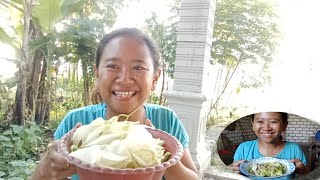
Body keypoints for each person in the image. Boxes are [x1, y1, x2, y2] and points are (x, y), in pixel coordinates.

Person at [30, 27, 199, 180]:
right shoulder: (76, 123)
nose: (124, 80)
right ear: (97, 73)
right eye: (112, 66)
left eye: (138, 68)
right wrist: (43, 171)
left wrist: (164, 153)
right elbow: (47, 173)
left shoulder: (167, 121)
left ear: (155, 78)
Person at [227, 112, 310, 179]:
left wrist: (304, 172)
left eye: (273, 122)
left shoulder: (294, 149)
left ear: (284, 125)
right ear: (253, 124)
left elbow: (305, 175)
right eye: (260, 121)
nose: (266, 128)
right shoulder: (243, 148)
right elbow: (235, 174)